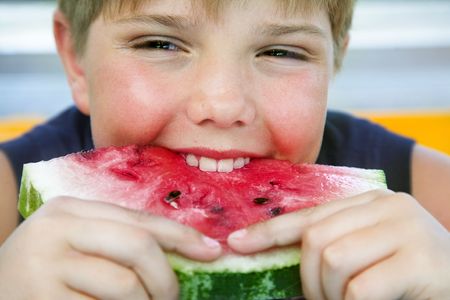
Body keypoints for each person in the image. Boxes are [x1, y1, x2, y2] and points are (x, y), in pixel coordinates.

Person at [0, 0, 449, 299]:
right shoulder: (8, 199)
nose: (222, 105)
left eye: (281, 52)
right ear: (76, 59)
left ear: (332, 63)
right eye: (159, 43)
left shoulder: (425, 197)